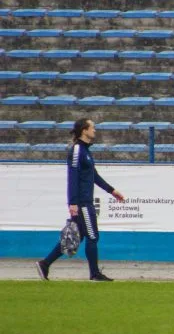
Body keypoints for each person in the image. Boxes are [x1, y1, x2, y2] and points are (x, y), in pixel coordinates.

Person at [35, 118, 125, 281]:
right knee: (92, 236)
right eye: (93, 128)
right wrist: (73, 203)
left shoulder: (85, 151)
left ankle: (45, 264)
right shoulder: (77, 150)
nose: (95, 131)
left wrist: (111, 191)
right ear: (84, 130)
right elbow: (72, 177)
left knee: (78, 237)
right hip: (82, 203)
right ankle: (94, 274)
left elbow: (94, 176)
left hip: (84, 201)